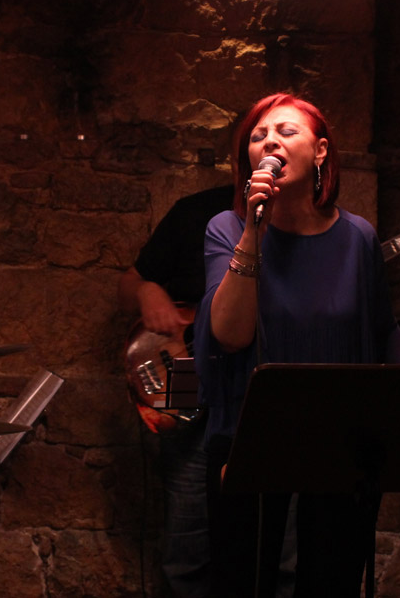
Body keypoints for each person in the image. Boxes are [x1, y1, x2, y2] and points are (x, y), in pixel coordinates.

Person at [193, 93, 400, 597]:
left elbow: (383, 332)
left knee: (330, 583)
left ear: (320, 151)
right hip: (248, 441)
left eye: (286, 132)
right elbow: (230, 334)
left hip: (340, 441)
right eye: (257, 137)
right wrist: (254, 230)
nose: (269, 142)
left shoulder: (357, 238)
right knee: (241, 583)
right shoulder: (226, 229)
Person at [118, 183, 234, 597]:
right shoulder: (195, 211)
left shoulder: (298, 218)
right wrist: (147, 290)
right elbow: (129, 284)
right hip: (184, 370)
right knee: (186, 534)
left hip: (260, 384)